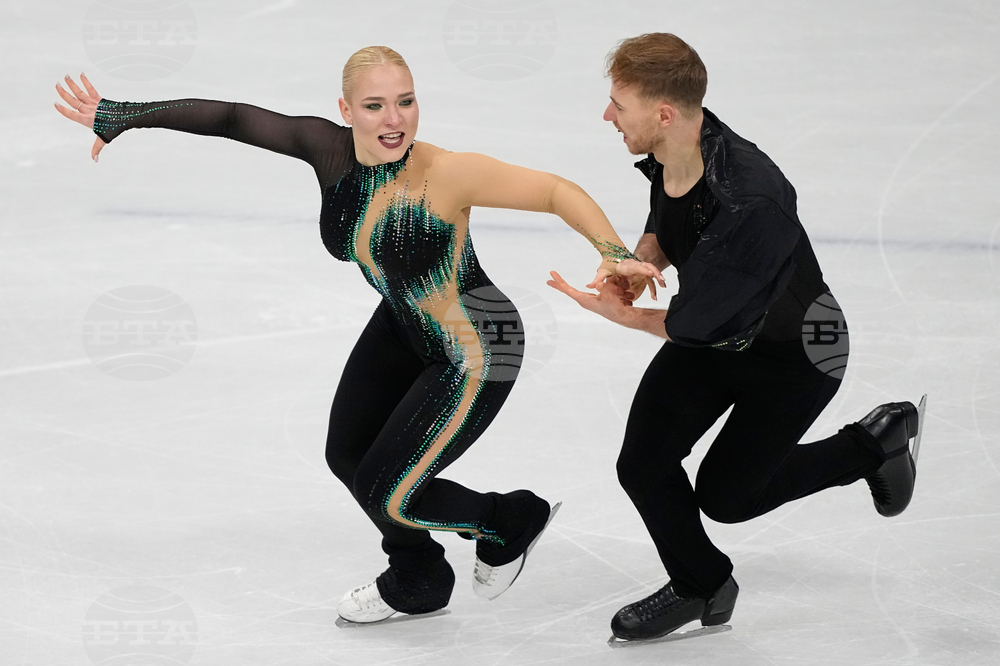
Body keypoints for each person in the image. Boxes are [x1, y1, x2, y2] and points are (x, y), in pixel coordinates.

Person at [54, 47, 664, 625]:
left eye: (407, 101)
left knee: (392, 492)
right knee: (348, 456)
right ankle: (419, 577)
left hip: (479, 343)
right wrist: (125, 115)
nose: (394, 119)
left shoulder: (446, 174)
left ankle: (510, 517)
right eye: (375, 105)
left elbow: (557, 191)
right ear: (346, 112)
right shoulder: (328, 150)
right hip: (405, 325)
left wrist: (613, 251)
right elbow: (234, 118)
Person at [548, 33, 926, 642]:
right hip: (724, 333)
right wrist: (640, 261)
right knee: (643, 465)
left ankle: (873, 445)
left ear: (664, 113)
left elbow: (691, 322)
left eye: (619, 103)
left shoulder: (751, 199)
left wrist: (618, 313)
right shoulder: (682, 145)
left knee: (727, 497)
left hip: (796, 353)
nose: (607, 115)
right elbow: (672, 218)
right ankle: (703, 584)